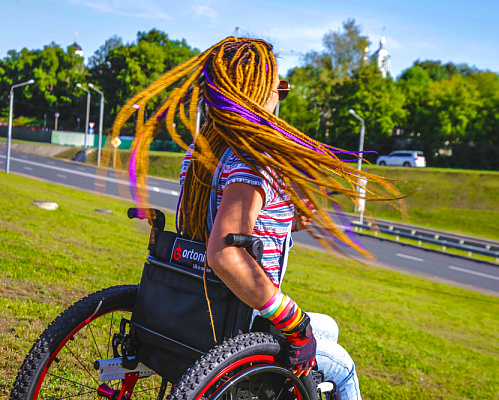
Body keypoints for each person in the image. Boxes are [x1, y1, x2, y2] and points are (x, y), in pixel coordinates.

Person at [114, 37, 404, 400]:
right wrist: (294, 323)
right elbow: (225, 253)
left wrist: (290, 215)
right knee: (342, 366)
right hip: (238, 318)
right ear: (259, 92)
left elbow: (219, 223)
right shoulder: (254, 158)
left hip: (191, 305)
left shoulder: (203, 148)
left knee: (329, 327)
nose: (281, 94)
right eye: (278, 86)